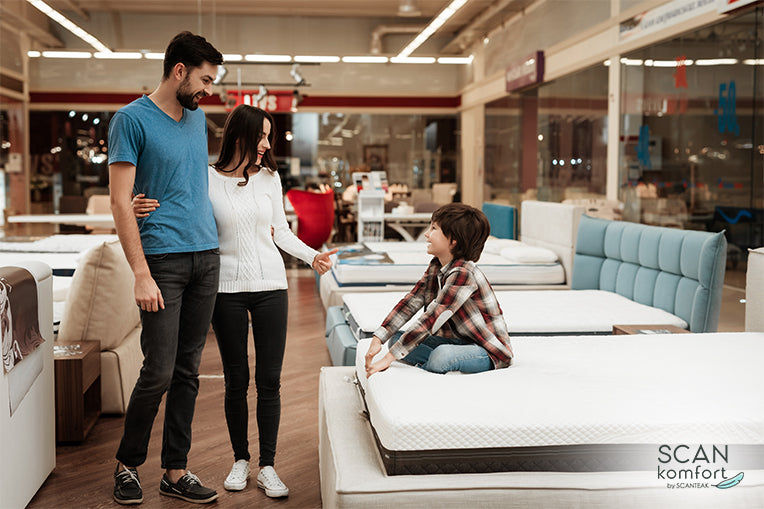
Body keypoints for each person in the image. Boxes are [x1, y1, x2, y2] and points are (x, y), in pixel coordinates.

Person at [133, 104, 337, 498]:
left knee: (269, 381)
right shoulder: (205, 179)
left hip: (271, 287)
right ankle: (241, 459)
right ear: (238, 136)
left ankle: (268, 467)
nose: (265, 144)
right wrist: (134, 206)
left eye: (268, 136)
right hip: (224, 288)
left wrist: (313, 255)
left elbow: (280, 232)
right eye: (259, 135)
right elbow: (174, 208)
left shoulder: (270, 178)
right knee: (236, 380)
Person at [108, 31, 224, 505]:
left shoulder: (197, 121)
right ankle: (127, 465)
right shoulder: (130, 120)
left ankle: (175, 471)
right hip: (162, 260)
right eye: (204, 79)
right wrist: (140, 272)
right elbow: (120, 199)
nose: (208, 90)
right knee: (157, 369)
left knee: (189, 371)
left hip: (206, 256)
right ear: (179, 70)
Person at [365, 203, 514, 377]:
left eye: (434, 228)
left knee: (442, 355)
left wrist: (388, 359)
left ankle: (436, 364)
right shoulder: (436, 265)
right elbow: (411, 301)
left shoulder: (464, 273)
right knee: (395, 339)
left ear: (454, 239)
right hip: (458, 342)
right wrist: (379, 338)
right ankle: (439, 363)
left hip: (487, 350)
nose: (427, 235)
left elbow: (433, 317)